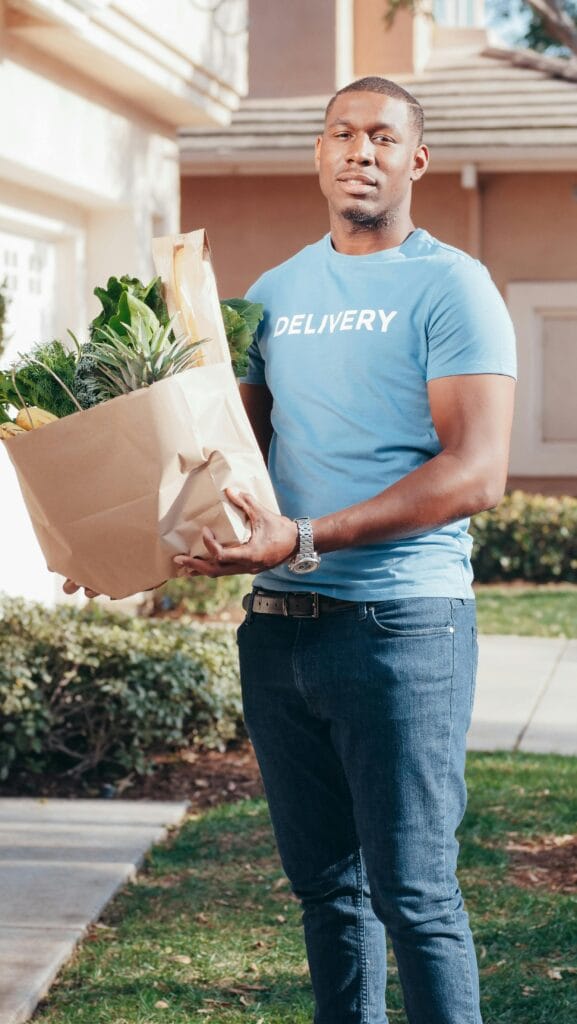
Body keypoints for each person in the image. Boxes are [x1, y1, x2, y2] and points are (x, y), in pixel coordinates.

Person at [70, 76, 517, 1024]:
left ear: (415, 160)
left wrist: (305, 536)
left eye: (383, 138)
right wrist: (115, 542)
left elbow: (475, 471)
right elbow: (225, 460)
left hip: (402, 628)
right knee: (327, 894)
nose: (361, 151)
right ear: (318, 153)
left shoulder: (450, 284)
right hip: (278, 631)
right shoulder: (273, 293)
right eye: (343, 134)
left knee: (417, 898)